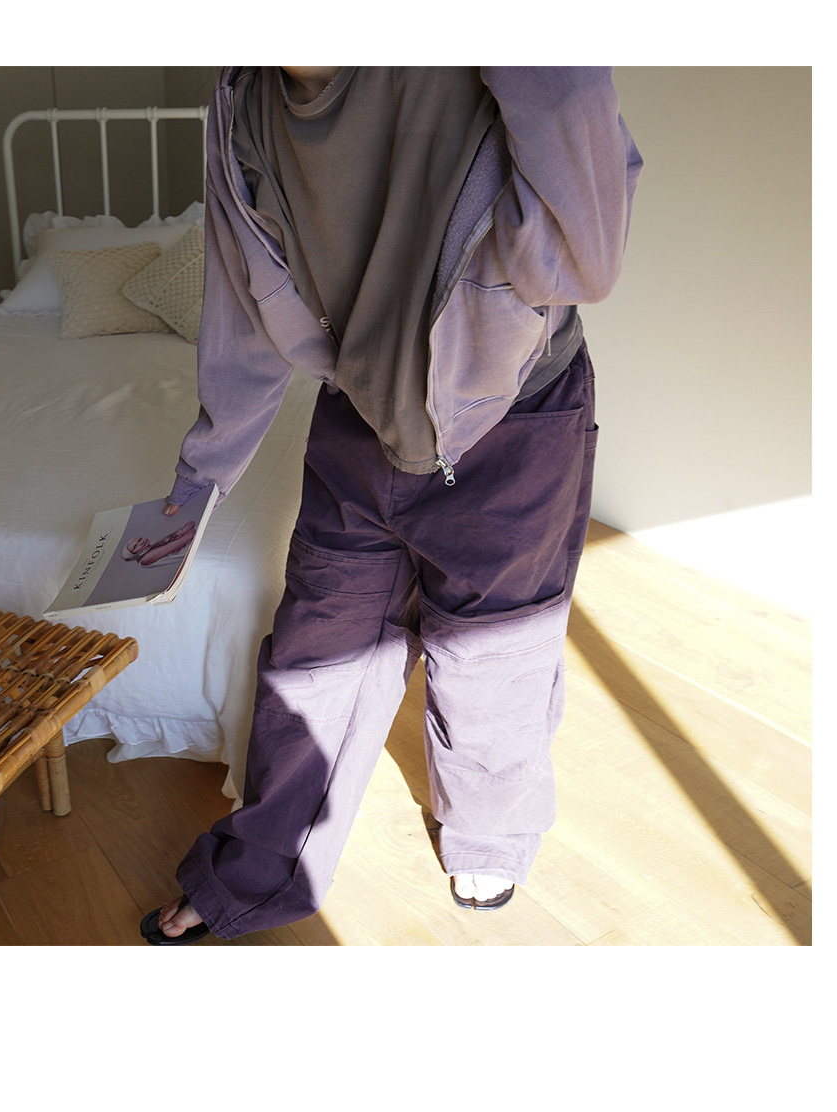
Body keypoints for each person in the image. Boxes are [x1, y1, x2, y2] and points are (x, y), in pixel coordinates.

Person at [140, 68, 642, 943]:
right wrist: (198, 481)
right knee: (314, 652)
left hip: (514, 414)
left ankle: (488, 833)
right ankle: (258, 870)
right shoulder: (241, 105)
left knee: (494, 652)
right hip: (359, 413)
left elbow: (585, 259)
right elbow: (242, 312)